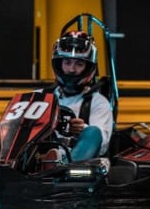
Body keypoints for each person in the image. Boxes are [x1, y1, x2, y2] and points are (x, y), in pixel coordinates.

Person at [46, 30, 114, 163]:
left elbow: (102, 144)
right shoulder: (40, 95)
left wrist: (82, 129)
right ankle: (0, 164)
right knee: (7, 125)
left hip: (77, 162)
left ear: (88, 68)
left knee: (93, 132)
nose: (72, 69)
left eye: (79, 64)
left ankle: (61, 166)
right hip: (37, 154)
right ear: (59, 64)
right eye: (67, 62)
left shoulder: (98, 102)